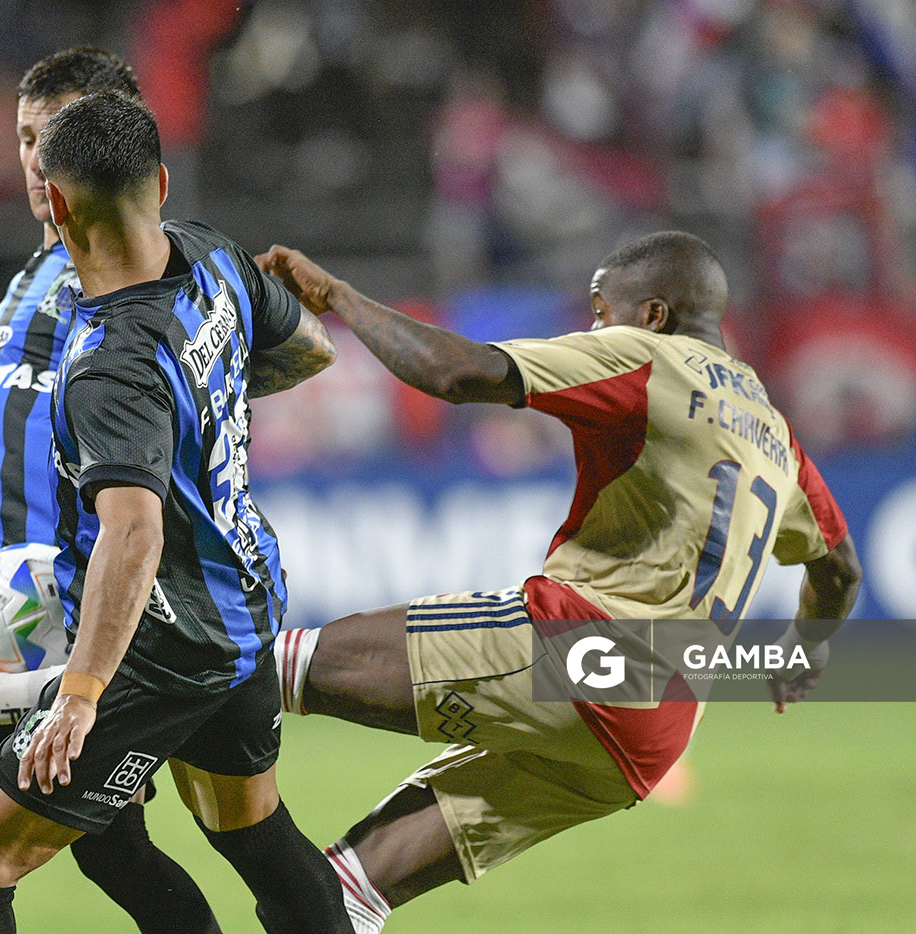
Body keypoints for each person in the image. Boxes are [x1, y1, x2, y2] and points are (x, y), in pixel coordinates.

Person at [262, 232, 863, 932]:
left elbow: (457, 373)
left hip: (588, 650)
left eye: (602, 309)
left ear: (655, 314)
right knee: (345, 897)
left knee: (268, 665)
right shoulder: (772, 429)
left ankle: (108, 773)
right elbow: (840, 569)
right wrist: (802, 648)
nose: (593, 327)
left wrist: (337, 297)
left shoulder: (645, 358)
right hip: (655, 733)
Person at [0, 91, 352, 934]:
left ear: (55, 204)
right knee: (253, 830)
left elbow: (133, 531)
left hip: (163, 647)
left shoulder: (111, 366)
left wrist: (79, 695)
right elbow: (314, 349)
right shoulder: (216, 257)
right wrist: (197, 397)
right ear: (160, 182)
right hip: (244, 603)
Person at [0, 49, 221, 934]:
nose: (33, 157)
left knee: (105, 852)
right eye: (23, 137)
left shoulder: (128, 288)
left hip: (55, 620)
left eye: (52, 137)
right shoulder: (34, 273)